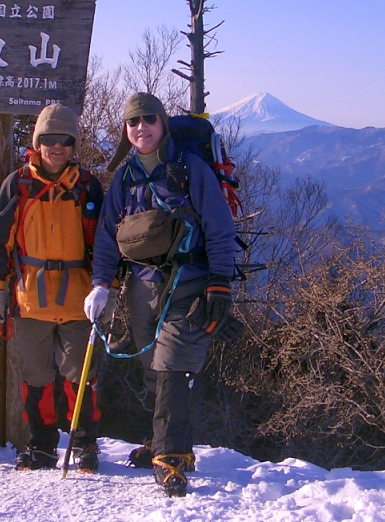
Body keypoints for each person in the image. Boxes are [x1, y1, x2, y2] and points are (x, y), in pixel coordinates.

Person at [85, 92, 237, 497]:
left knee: (173, 364)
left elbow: (220, 227)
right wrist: (102, 284)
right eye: (133, 122)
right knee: (152, 367)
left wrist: (220, 282)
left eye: (148, 120)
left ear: (162, 123)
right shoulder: (125, 176)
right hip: (141, 284)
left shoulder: (191, 169)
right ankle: (164, 444)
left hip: (189, 280)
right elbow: (107, 235)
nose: (141, 128)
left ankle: (170, 459)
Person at [0, 104, 105, 472]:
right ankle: (42, 445)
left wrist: (107, 288)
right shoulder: (18, 184)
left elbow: (104, 243)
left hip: (78, 299)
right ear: (37, 142)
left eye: (64, 140)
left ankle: (84, 444)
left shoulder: (87, 186)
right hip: (30, 298)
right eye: (48, 139)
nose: (56, 147)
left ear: (74, 144)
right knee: (36, 377)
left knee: (80, 375)